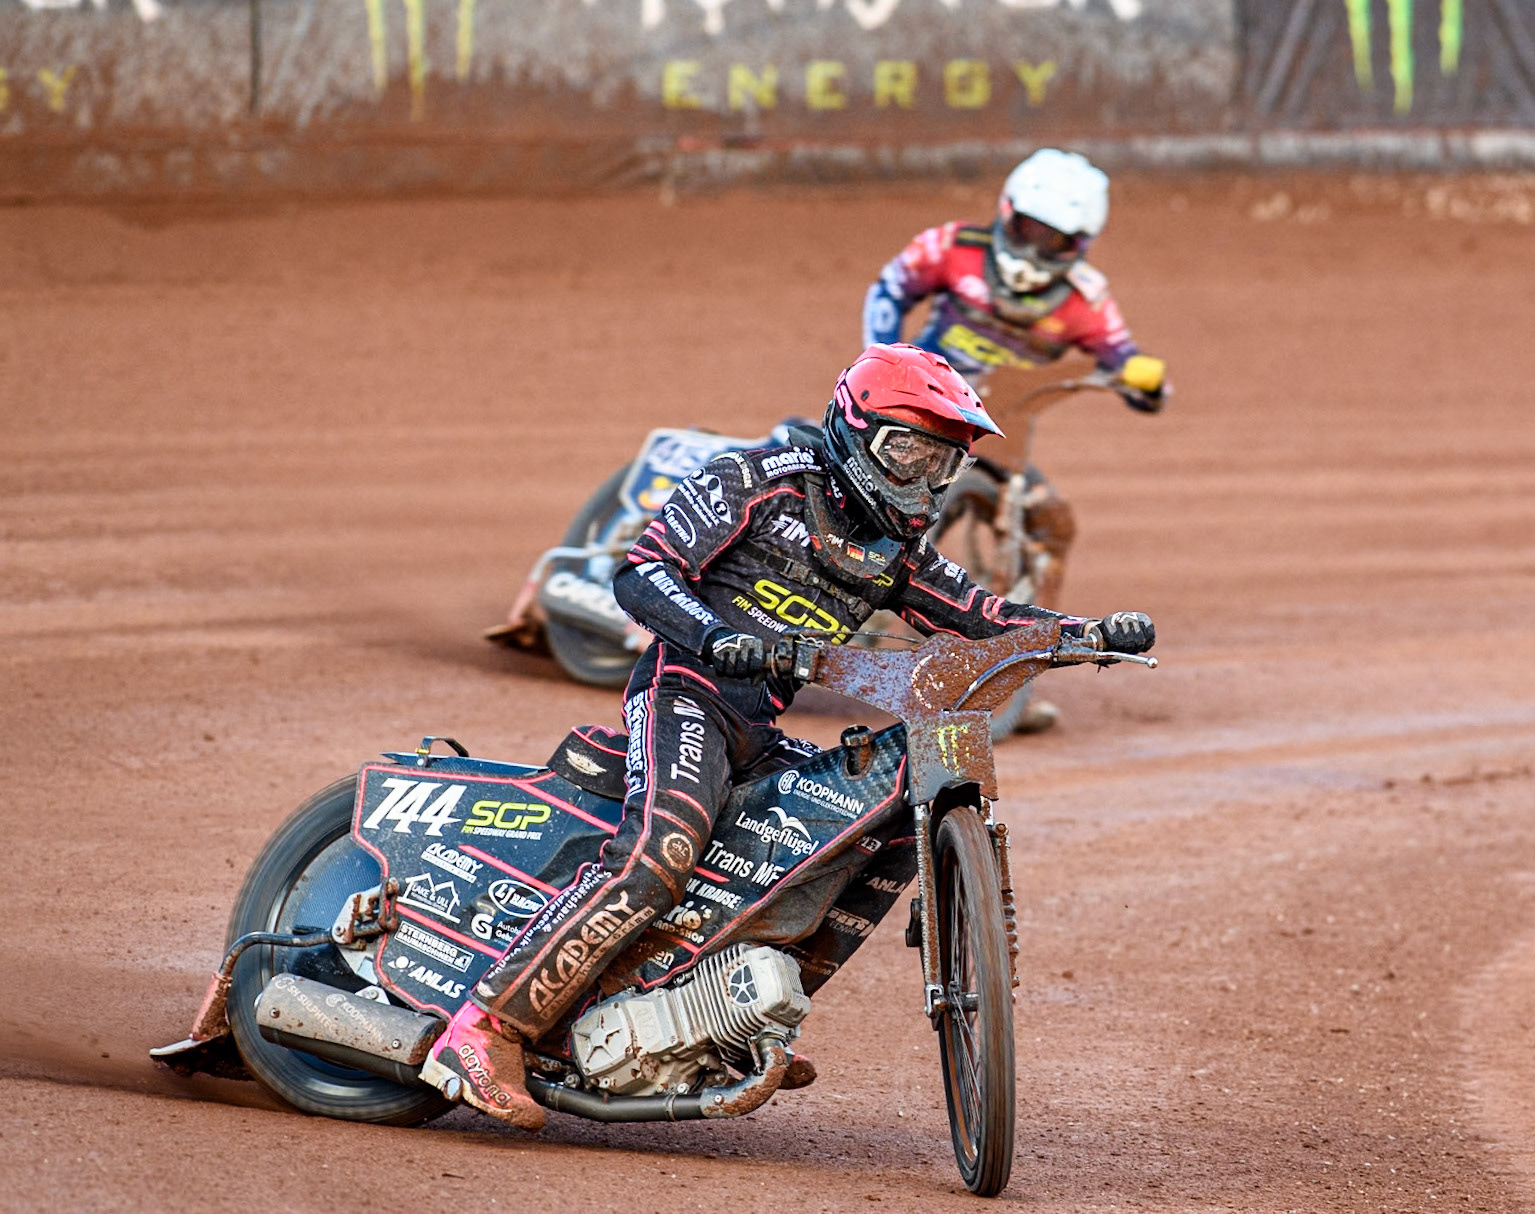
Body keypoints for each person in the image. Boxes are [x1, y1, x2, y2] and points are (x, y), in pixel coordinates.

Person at [419, 344, 1158, 1129]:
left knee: (864, 832)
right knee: (659, 855)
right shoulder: (757, 480)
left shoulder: (893, 551)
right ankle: (486, 1029)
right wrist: (710, 638)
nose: (921, 479)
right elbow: (641, 571)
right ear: (853, 427)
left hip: (757, 725)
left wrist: (1085, 632)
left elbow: (981, 616)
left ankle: (732, 1019)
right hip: (687, 692)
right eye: (905, 450)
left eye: (939, 462)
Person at [861, 148, 1168, 733]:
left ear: (1078, 244)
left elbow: (1122, 356)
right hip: (911, 410)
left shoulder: (1087, 298)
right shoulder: (952, 247)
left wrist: (1145, 386)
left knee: (1052, 524)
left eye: (1052, 241)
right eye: (1029, 230)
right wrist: (881, 354)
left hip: (999, 435)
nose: (1034, 250)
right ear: (1007, 214)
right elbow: (891, 288)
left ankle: (1016, 679)